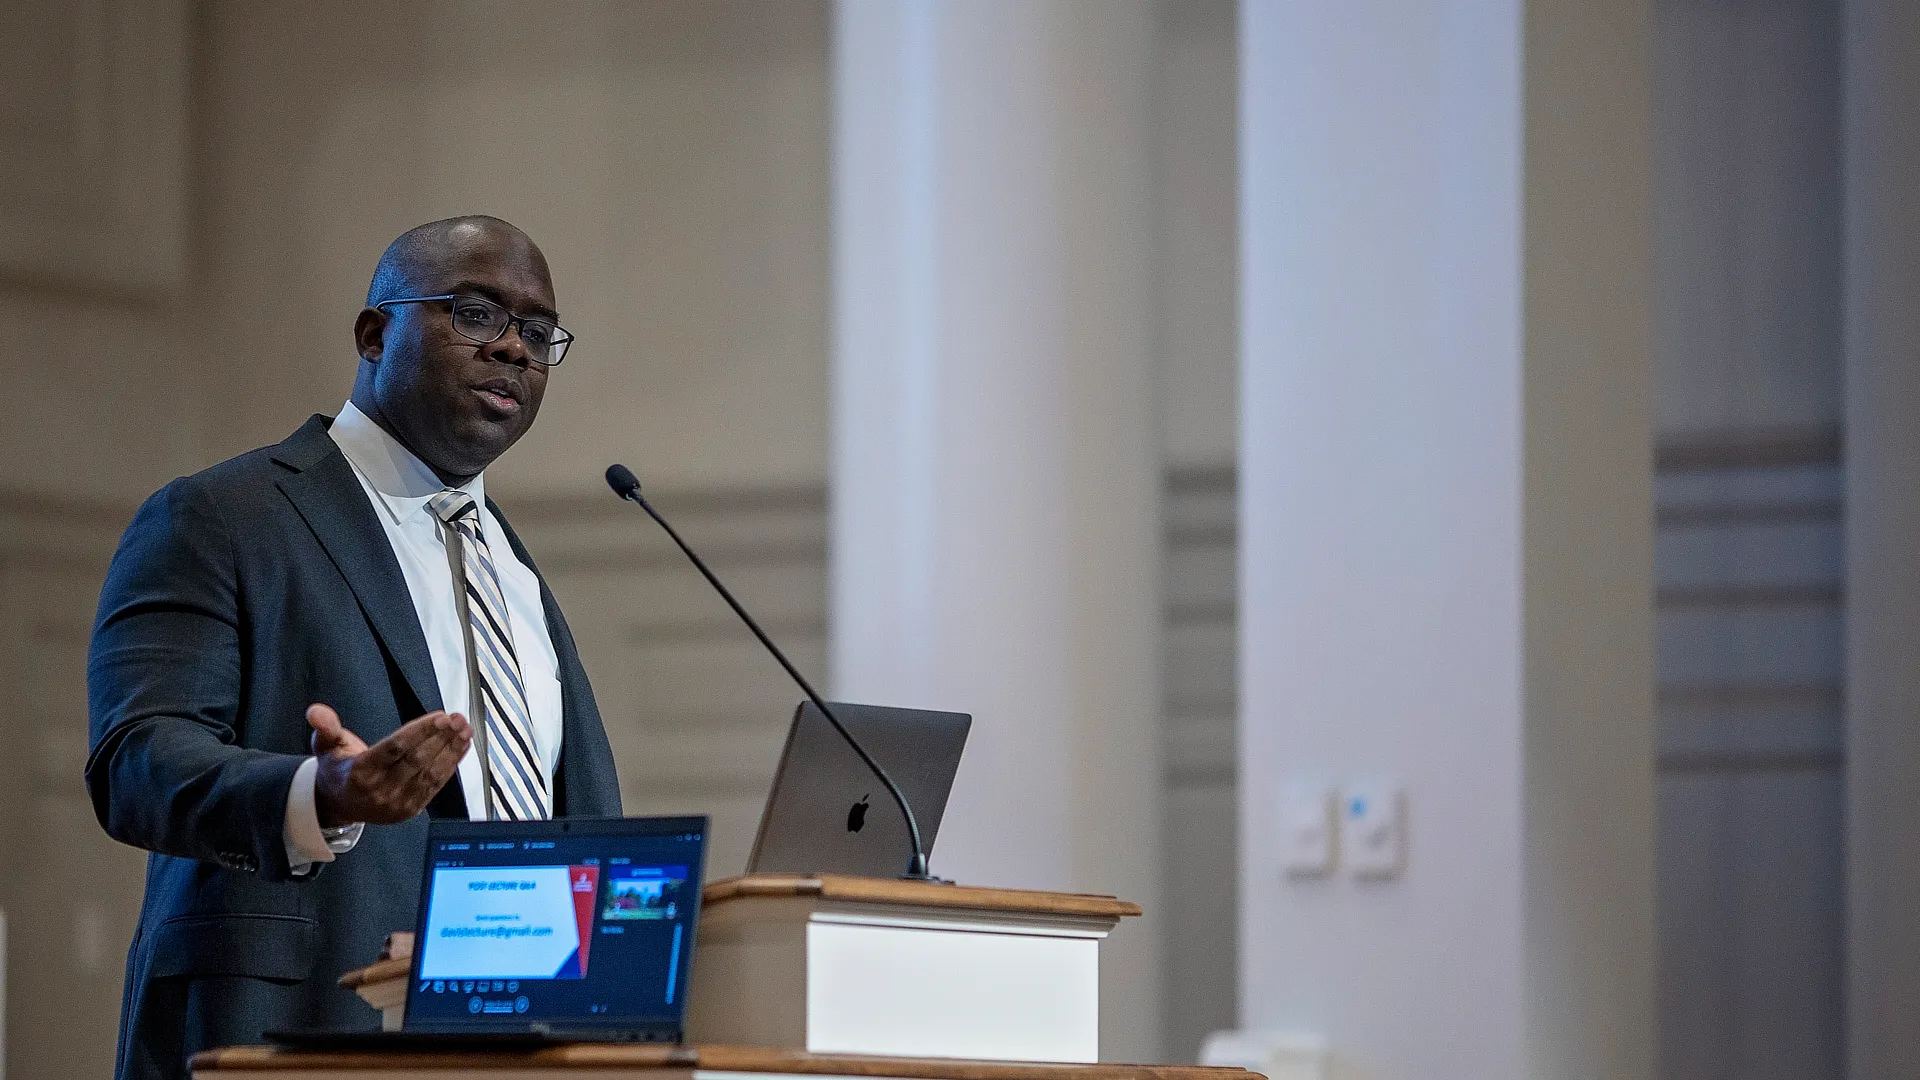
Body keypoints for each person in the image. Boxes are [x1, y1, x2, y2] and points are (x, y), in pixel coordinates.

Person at [85, 216, 622, 1080]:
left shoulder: (515, 574)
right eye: (479, 315)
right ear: (376, 333)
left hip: (524, 1042)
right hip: (300, 1029)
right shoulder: (223, 518)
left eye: (535, 332)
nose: (515, 350)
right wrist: (317, 794)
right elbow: (138, 760)